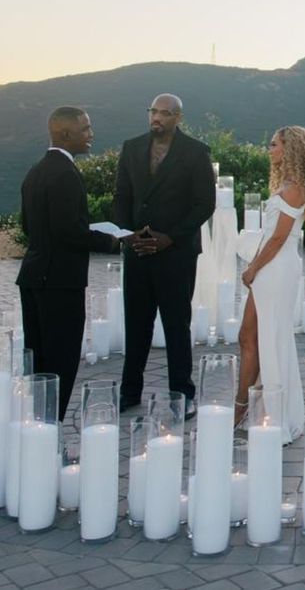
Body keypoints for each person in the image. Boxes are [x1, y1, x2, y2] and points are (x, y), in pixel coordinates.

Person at [114, 93, 216, 418]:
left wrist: (169, 238)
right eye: (153, 111)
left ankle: (182, 395)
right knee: (136, 324)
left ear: (178, 118)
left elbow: (204, 203)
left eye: (165, 113)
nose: (156, 117)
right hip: (137, 251)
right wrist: (127, 234)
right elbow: (121, 196)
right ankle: (129, 392)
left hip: (177, 254)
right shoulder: (131, 147)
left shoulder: (196, 152)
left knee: (176, 325)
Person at [16, 107, 120, 422]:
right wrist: (111, 241)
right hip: (60, 282)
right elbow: (69, 232)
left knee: (38, 363)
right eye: (85, 129)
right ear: (65, 134)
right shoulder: (65, 174)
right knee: (60, 361)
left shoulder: (35, 171)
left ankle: (37, 429)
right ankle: (52, 429)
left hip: (33, 277)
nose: (91, 135)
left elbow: (27, 226)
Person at [237, 126, 305, 442]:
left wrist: (252, 269)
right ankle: (250, 406)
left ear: (291, 150)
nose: (270, 149)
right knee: (250, 335)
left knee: (270, 339)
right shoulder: (289, 185)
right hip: (271, 267)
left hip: (275, 269)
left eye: (274, 144)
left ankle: (262, 412)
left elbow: (278, 238)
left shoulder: (295, 189)